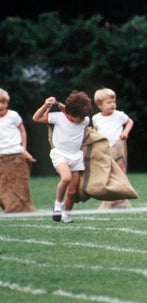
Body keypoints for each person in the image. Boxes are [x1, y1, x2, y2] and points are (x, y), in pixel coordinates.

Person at [33, 90, 93, 223]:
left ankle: (66, 216)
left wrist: (59, 104)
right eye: (80, 117)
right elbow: (36, 118)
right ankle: (57, 206)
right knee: (66, 178)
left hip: (76, 157)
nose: (82, 119)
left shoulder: (84, 120)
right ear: (71, 113)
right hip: (60, 154)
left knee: (72, 192)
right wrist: (46, 105)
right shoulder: (58, 117)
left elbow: (71, 110)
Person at [0, 88, 36, 213]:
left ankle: (20, 209)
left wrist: (24, 149)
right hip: (1, 156)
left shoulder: (13, 116)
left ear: (7, 103)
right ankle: (10, 207)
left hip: (15, 153)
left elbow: (22, 131)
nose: (1, 105)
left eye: (3, 102)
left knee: (19, 185)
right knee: (4, 186)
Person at [92, 88, 134, 172]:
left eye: (113, 102)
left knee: (120, 170)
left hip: (118, 146)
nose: (112, 104)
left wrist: (125, 132)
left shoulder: (119, 115)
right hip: (104, 148)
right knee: (106, 170)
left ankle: (120, 183)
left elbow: (130, 121)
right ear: (100, 105)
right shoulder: (96, 118)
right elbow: (95, 130)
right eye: (109, 102)